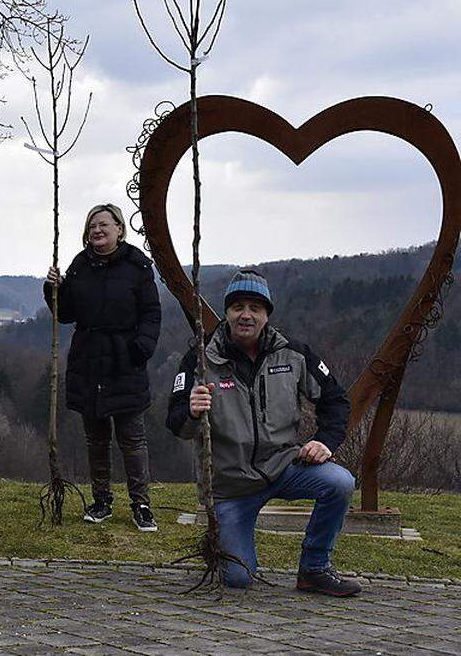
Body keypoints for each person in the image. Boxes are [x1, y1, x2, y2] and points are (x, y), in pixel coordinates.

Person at [167, 269, 360, 596]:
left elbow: (335, 399)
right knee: (238, 578)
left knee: (340, 482)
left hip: (285, 466)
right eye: (238, 306)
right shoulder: (199, 358)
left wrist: (325, 441)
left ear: (267, 314)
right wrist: (192, 411)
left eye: (255, 308)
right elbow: (175, 421)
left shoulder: (294, 353)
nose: (246, 315)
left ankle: (314, 568)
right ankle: (226, 543)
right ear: (226, 312)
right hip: (231, 486)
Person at [43, 203, 161, 531]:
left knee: (132, 438)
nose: (97, 230)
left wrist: (141, 349)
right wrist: (54, 288)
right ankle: (102, 501)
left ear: (120, 229)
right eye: (92, 225)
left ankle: (141, 505)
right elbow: (65, 313)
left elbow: (152, 313)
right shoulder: (80, 266)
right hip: (88, 361)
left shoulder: (138, 266)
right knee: (95, 438)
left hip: (126, 362)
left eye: (104, 224)